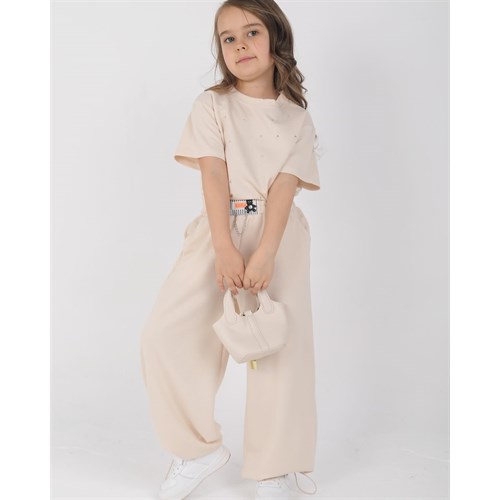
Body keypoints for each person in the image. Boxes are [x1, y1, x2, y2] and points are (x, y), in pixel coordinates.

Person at [140, 1, 321, 498]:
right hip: (219, 228)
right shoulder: (212, 106)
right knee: (164, 335)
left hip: (279, 235)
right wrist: (224, 246)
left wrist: (266, 253)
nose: (241, 45)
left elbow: (284, 188)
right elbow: (214, 175)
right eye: (228, 38)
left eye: (252, 32)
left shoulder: (296, 118)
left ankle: (275, 466)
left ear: (275, 36)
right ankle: (196, 449)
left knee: (281, 349)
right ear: (219, 50)